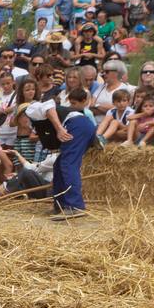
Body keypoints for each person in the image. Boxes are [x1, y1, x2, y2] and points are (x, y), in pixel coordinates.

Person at [50, 88, 96, 221]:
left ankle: (74, 205)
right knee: (59, 164)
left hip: (77, 126)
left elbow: (48, 109)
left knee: (68, 163)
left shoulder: (38, 108)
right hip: (83, 126)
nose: (71, 105)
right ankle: (61, 204)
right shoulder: (71, 111)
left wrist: (59, 129)